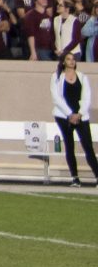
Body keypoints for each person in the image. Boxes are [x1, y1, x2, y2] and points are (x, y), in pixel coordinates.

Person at [55, 51, 96, 185]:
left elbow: (86, 96)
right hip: (64, 117)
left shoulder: (82, 77)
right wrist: (69, 114)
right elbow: (57, 98)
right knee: (69, 145)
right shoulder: (57, 78)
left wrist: (79, 113)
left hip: (80, 116)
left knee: (88, 146)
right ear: (63, 62)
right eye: (68, 59)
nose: (72, 61)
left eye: (73, 59)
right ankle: (75, 177)